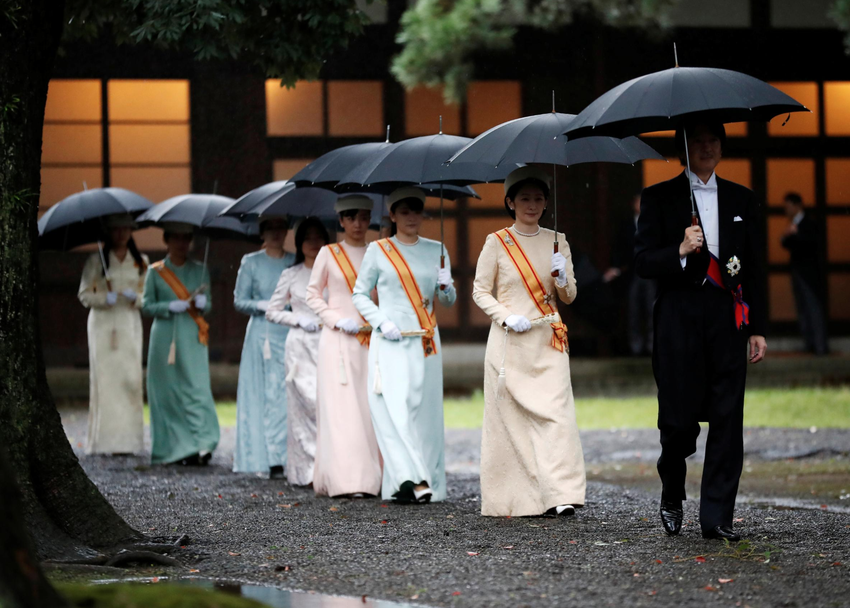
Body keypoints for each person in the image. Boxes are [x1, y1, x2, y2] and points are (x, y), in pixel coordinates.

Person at [635, 121, 767, 541]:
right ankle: (672, 492)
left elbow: (756, 268)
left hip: (728, 319)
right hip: (677, 318)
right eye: (697, 142)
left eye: (713, 141)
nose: (707, 148)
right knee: (677, 421)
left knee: (728, 417)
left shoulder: (742, 199)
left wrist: (757, 328)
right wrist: (678, 249)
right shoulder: (658, 198)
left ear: (722, 148)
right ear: (683, 150)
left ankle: (716, 517)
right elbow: (642, 262)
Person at [471, 166, 586, 517]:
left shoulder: (557, 240)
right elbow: (479, 291)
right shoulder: (497, 241)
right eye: (524, 198)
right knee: (513, 423)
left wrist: (563, 275)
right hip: (510, 342)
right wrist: (506, 315)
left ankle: (561, 493)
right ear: (510, 202)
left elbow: (570, 296)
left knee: (557, 416)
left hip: (548, 340)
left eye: (538, 199)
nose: (532, 205)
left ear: (546, 203)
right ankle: (518, 498)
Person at [352, 187, 456, 504]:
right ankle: (412, 479)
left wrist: (446, 285)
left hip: (425, 341)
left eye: (417, 210)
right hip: (391, 340)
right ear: (393, 215)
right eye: (405, 211)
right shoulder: (379, 250)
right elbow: (359, 294)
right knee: (392, 411)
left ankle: (425, 482)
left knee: (425, 414)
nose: (412, 217)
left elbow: (448, 302)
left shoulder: (437, 249)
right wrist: (382, 321)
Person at [306, 195, 382, 498]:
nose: (358, 224)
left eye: (364, 218)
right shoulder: (328, 252)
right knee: (341, 410)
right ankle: (347, 480)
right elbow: (312, 294)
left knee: (368, 406)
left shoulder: (378, 251)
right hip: (337, 339)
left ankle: (376, 477)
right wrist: (335, 319)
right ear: (341, 221)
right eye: (351, 218)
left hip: (369, 338)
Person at [141, 222, 219, 466]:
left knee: (197, 388)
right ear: (166, 240)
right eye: (176, 238)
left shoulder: (200, 269)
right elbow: (146, 305)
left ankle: (203, 444)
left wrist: (204, 304)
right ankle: (173, 449)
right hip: (164, 336)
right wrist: (167, 306)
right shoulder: (155, 271)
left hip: (192, 333)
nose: (181, 243)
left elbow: (210, 306)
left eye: (186, 238)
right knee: (166, 391)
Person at [266, 217, 330, 487]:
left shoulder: (335, 271)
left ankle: (328, 470)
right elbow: (272, 311)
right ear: (300, 243)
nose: (314, 244)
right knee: (303, 404)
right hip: (300, 346)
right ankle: (304, 471)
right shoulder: (290, 275)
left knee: (328, 404)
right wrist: (296, 319)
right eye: (308, 238)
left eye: (319, 238)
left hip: (329, 342)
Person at [77, 214, 148, 455]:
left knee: (130, 378)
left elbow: (147, 296)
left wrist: (135, 298)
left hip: (129, 323)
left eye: (125, 229)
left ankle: (129, 442)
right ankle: (104, 442)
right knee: (105, 380)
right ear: (108, 232)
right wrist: (101, 299)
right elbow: (84, 293)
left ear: (131, 231)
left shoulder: (141, 262)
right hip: (102, 323)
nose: (121, 234)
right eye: (116, 229)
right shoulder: (96, 260)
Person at [232, 217, 296, 478]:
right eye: (270, 229)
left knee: (285, 392)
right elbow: (239, 300)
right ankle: (262, 456)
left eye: (280, 228)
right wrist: (261, 304)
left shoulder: (293, 261)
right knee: (261, 391)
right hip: (261, 334)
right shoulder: (251, 262)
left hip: (288, 331)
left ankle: (284, 456)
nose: (276, 233)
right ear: (262, 232)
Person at [603, 193, 655, 355]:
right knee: (632, 310)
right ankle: (635, 346)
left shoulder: (653, 224)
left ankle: (651, 345)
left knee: (651, 309)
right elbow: (618, 249)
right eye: (638, 201)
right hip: (631, 273)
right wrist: (617, 268)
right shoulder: (626, 225)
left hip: (650, 272)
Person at [781, 192, 828, 356]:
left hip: (809, 273)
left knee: (813, 307)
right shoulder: (793, 225)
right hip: (798, 271)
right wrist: (790, 235)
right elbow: (785, 242)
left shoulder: (809, 223)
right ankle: (810, 343)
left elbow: (812, 244)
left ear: (796, 205)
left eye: (788, 206)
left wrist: (795, 235)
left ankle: (820, 346)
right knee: (802, 308)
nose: (786, 210)